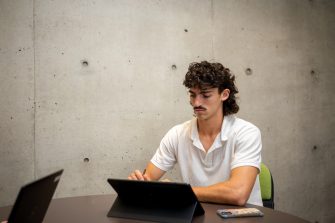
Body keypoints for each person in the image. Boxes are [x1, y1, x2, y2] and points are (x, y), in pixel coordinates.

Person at [128, 61, 262, 206]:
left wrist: (180, 192)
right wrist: (139, 184)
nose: (196, 103)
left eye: (205, 95)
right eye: (192, 95)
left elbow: (238, 194)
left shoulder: (246, 133)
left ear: (224, 94)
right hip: (196, 215)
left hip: (242, 218)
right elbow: (148, 180)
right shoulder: (177, 134)